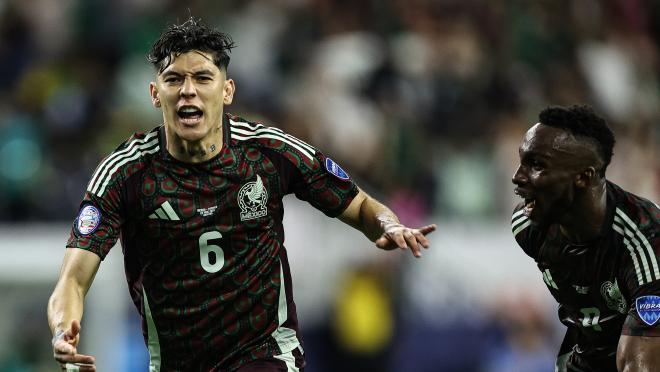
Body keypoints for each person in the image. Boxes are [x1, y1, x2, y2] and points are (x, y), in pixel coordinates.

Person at [47, 17, 436, 372]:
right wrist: (63, 330)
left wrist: (386, 225)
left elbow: (359, 203)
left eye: (202, 78)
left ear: (226, 89)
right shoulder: (126, 173)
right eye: (173, 80)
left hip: (265, 355)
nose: (188, 91)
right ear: (154, 93)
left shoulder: (267, 152)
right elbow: (73, 278)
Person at [510, 104, 660, 372]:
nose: (517, 177)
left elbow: (641, 364)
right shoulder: (528, 228)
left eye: (536, 165)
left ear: (583, 177)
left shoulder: (645, 243)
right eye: (522, 162)